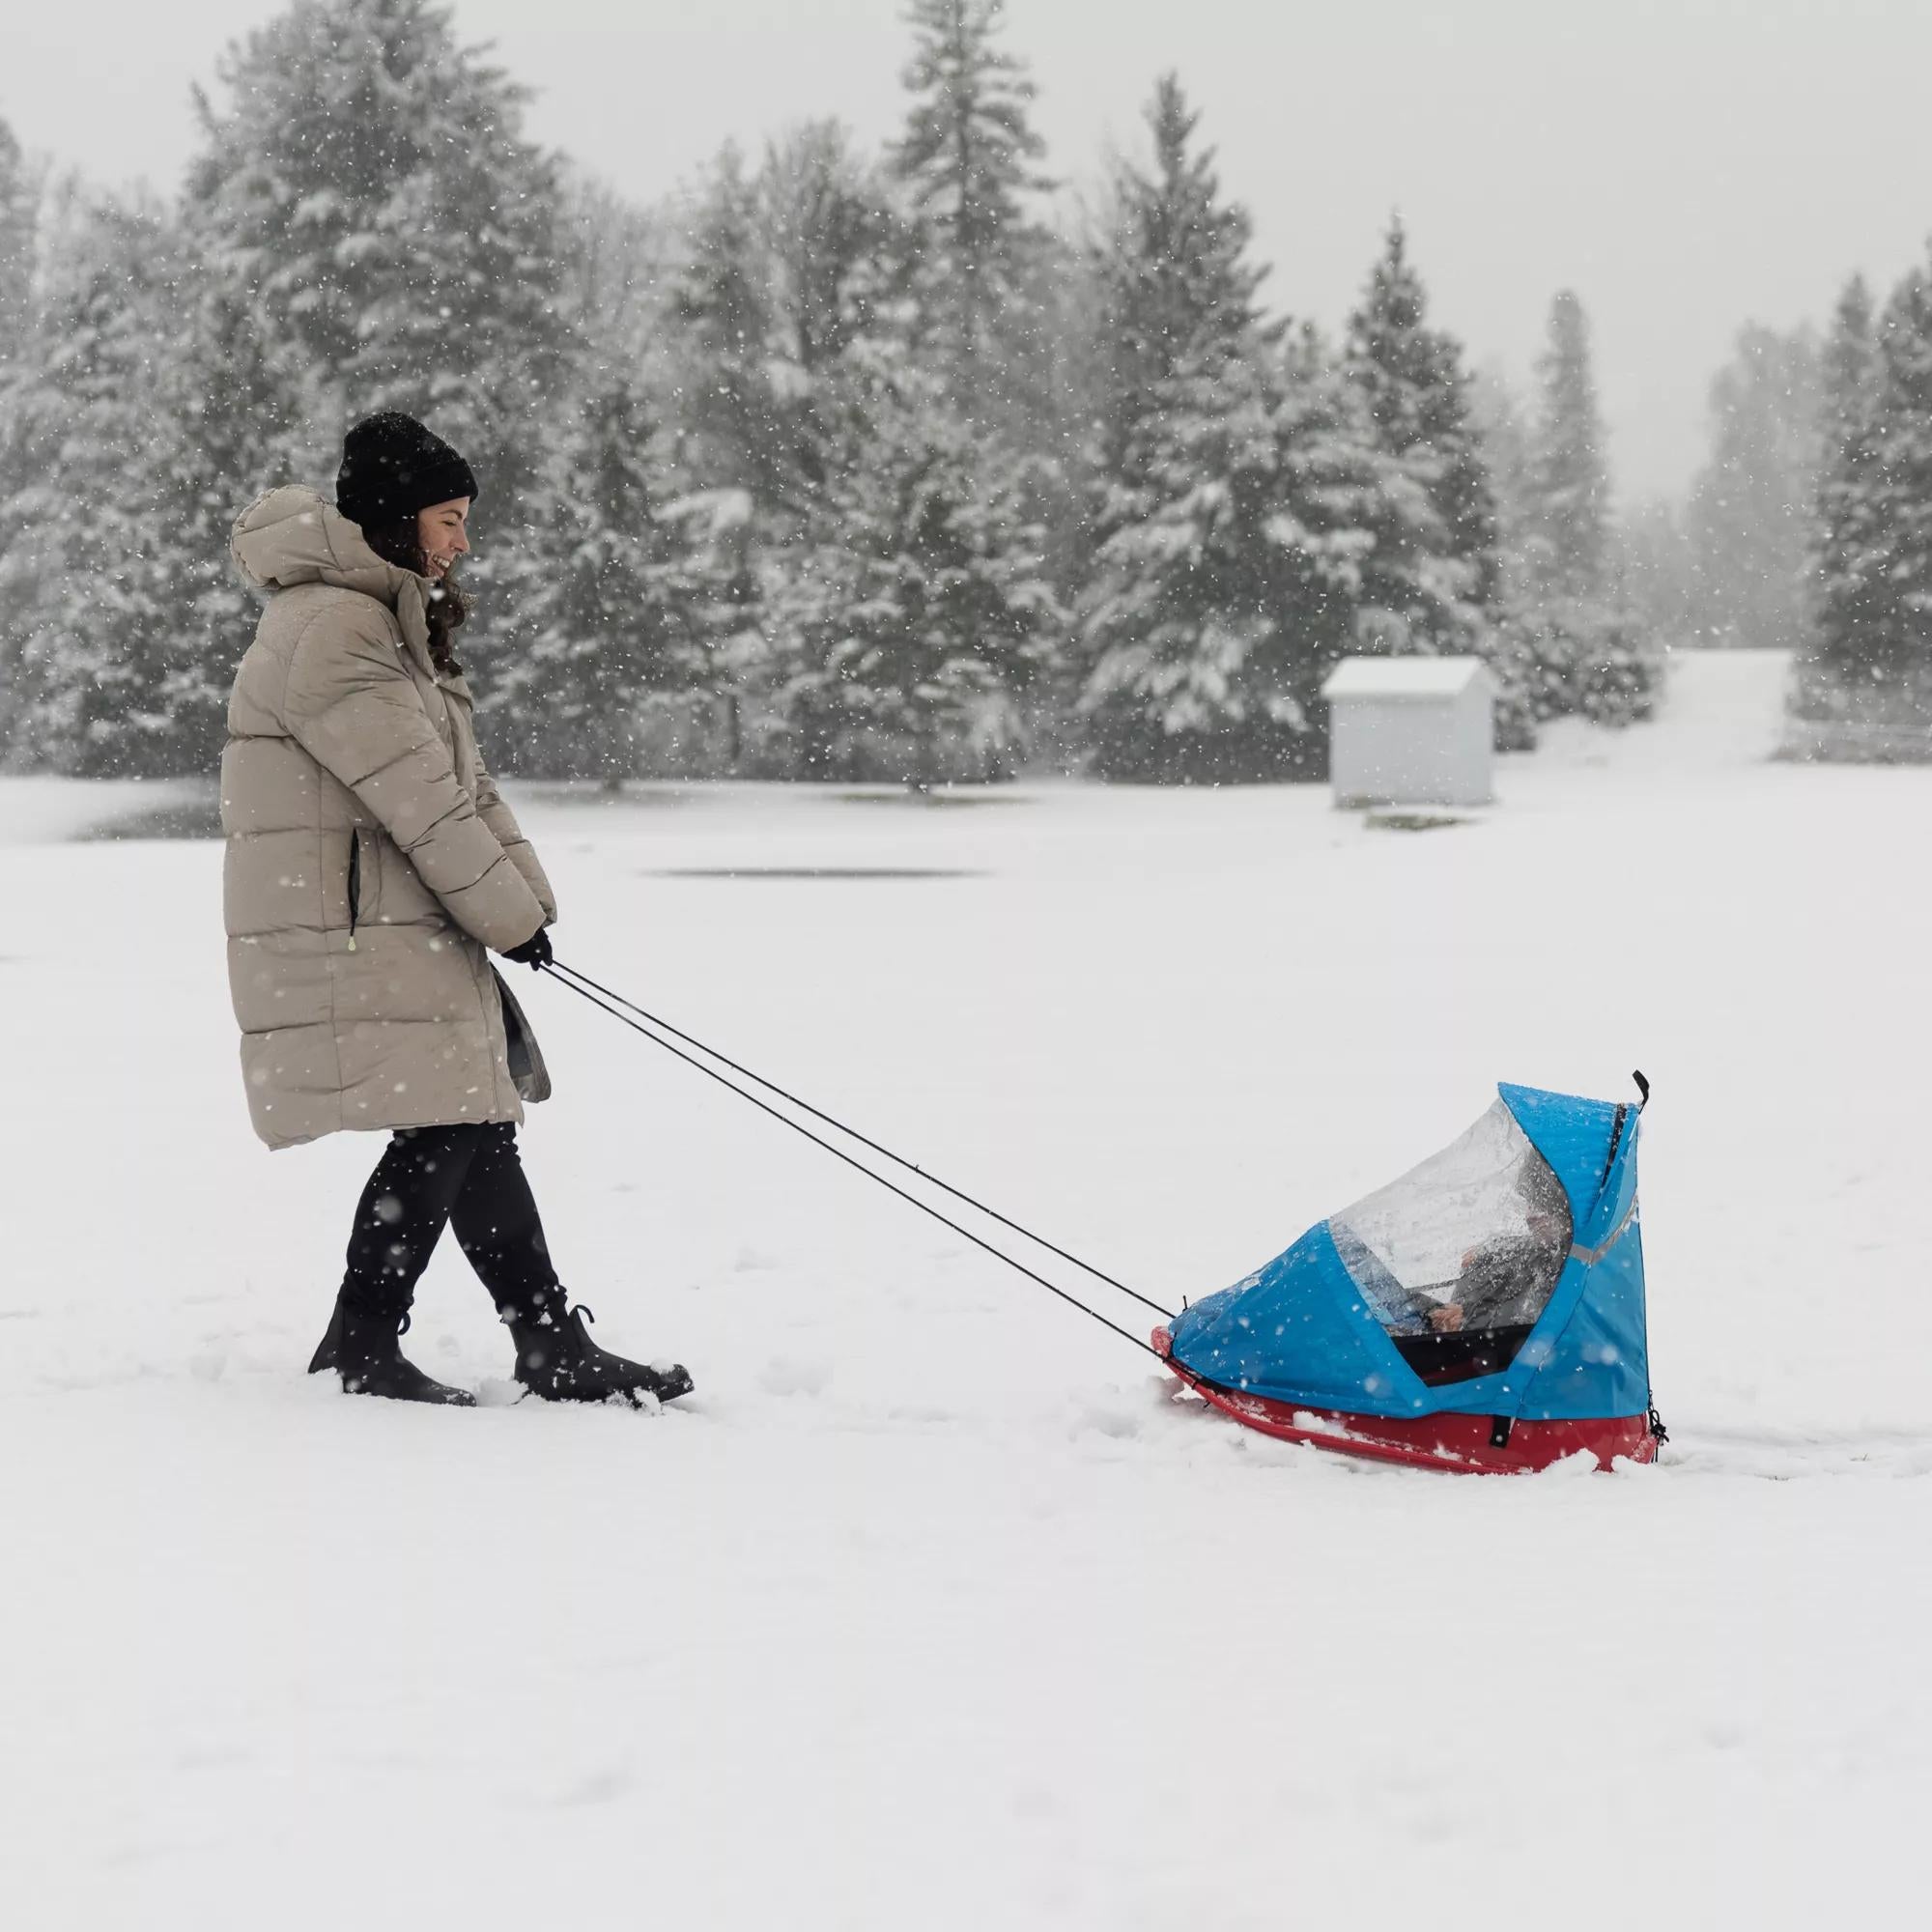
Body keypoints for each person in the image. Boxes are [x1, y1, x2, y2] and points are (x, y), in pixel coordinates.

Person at [221, 411, 691, 1409]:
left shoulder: (379, 615)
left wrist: (524, 904)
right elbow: (419, 798)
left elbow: (459, 782)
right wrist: (505, 915)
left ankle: (542, 1341)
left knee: (473, 1115)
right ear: (395, 517)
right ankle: (367, 1342)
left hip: (397, 915)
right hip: (356, 922)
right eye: (447, 517)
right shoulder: (336, 627)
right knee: (447, 1121)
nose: (461, 539)